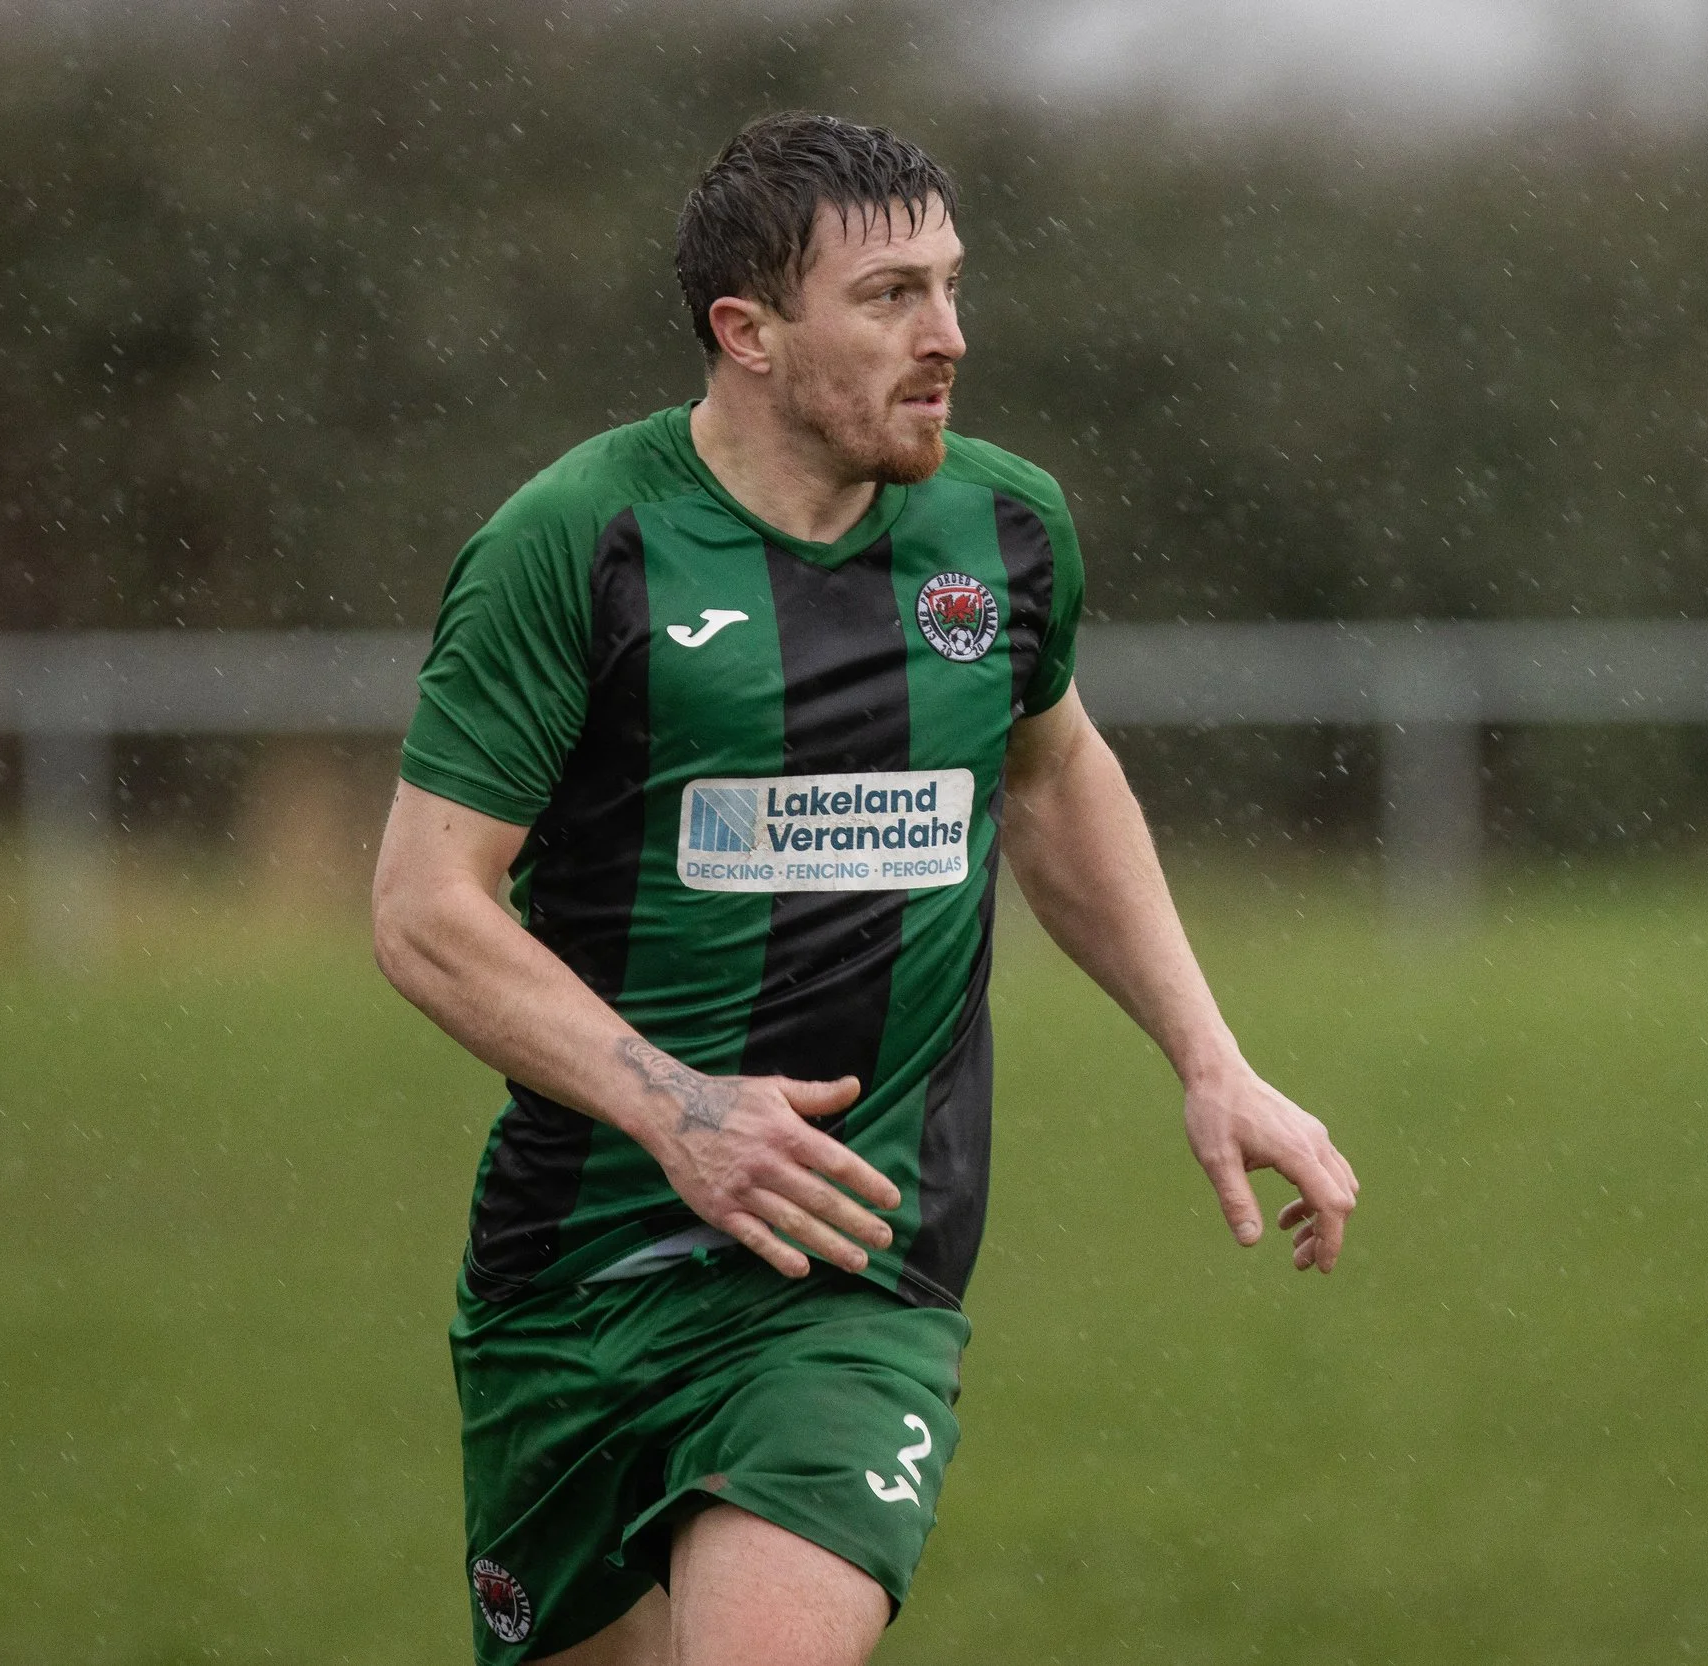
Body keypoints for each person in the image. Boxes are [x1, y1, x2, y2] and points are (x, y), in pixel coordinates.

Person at [369, 111, 1360, 1666]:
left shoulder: (1007, 531)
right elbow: (427, 910)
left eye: (952, 286)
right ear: (747, 334)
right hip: (577, 1277)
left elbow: (1049, 775)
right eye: (891, 295)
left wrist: (1209, 1054)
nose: (948, 336)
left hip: (859, 1262)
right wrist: (679, 1108)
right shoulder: (578, 545)